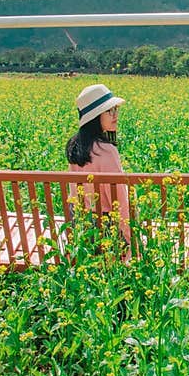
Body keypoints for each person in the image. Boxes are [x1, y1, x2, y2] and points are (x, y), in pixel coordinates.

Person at [65, 83, 132, 251]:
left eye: (116, 109)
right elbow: (119, 201)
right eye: (109, 110)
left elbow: (74, 195)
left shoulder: (75, 146)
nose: (115, 114)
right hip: (106, 232)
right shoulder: (107, 151)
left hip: (82, 229)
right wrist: (130, 239)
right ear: (95, 117)